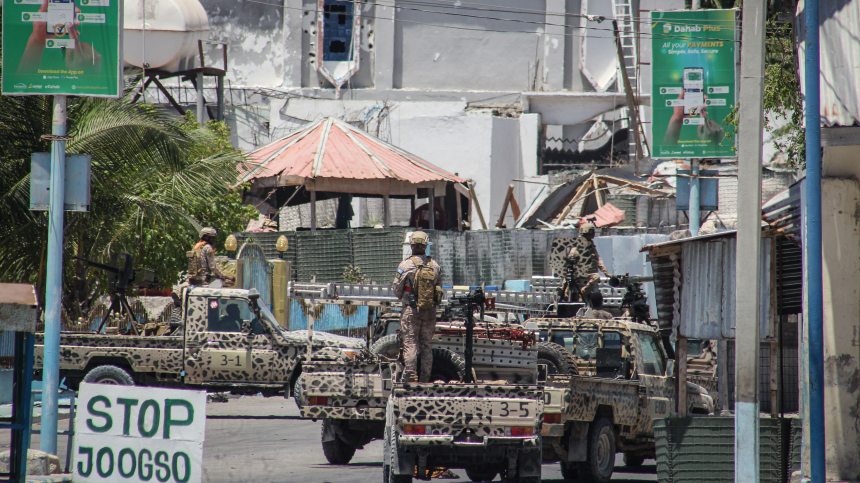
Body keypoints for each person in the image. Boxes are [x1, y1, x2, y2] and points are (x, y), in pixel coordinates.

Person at [392, 231, 442, 382]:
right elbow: (439, 289)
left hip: (411, 310)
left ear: (411, 245)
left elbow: (396, 289)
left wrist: (405, 297)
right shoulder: (435, 266)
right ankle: (425, 377)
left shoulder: (405, 265)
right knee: (426, 344)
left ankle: (412, 377)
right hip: (430, 311)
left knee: (410, 343)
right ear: (426, 245)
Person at [566, 223, 612, 302]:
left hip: (589, 272)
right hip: (580, 271)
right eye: (591, 232)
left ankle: (583, 292)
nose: (593, 234)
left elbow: (598, 259)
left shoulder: (591, 244)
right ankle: (572, 293)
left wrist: (606, 272)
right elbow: (572, 255)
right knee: (568, 280)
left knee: (596, 277)